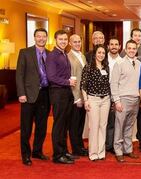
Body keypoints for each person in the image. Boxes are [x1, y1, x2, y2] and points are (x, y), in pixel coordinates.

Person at [16, 28, 51, 166]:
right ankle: (26, 155)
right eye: (39, 36)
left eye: (44, 36)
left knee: (42, 126)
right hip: (28, 95)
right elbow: (19, 74)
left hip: (45, 94)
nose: (41, 38)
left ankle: (37, 151)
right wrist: (21, 93)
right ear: (34, 37)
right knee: (26, 127)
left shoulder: (49, 54)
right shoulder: (25, 52)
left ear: (46, 38)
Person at [46, 30, 77, 164]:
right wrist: (67, 82)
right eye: (61, 39)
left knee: (65, 124)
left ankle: (64, 151)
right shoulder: (52, 56)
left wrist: (68, 83)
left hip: (66, 92)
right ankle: (58, 155)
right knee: (59, 125)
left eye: (65, 39)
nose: (63, 41)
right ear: (55, 40)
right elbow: (51, 77)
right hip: (58, 93)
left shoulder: (63, 54)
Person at [110, 40, 141, 162]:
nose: (132, 50)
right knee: (119, 125)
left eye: (134, 48)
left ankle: (128, 149)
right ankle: (118, 151)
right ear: (126, 49)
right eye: (130, 48)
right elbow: (114, 83)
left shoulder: (139, 63)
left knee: (129, 126)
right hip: (123, 99)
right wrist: (117, 101)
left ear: (136, 49)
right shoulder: (119, 63)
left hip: (135, 99)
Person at [81, 45, 110, 161]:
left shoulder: (106, 67)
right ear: (95, 54)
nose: (101, 55)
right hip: (93, 99)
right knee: (93, 127)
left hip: (106, 100)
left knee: (103, 126)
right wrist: (86, 100)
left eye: (103, 53)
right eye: (99, 52)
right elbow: (83, 85)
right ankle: (93, 153)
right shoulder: (88, 67)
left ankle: (101, 152)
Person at [67, 34, 88, 157]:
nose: (77, 44)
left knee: (81, 123)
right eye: (74, 42)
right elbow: (72, 80)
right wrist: (77, 98)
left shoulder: (82, 56)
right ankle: (75, 148)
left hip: (83, 95)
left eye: (79, 41)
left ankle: (80, 146)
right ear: (70, 43)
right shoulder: (68, 57)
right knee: (74, 125)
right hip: (76, 97)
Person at [105, 37, 123, 154]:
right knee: (106, 122)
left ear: (120, 47)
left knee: (116, 121)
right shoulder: (102, 59)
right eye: (112, 44)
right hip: (104, 93)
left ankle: (113, 144)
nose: (114, 46)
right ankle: (106, 145)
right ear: (108, 46)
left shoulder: (122, 61)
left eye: (116, 44)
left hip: (118, 94)